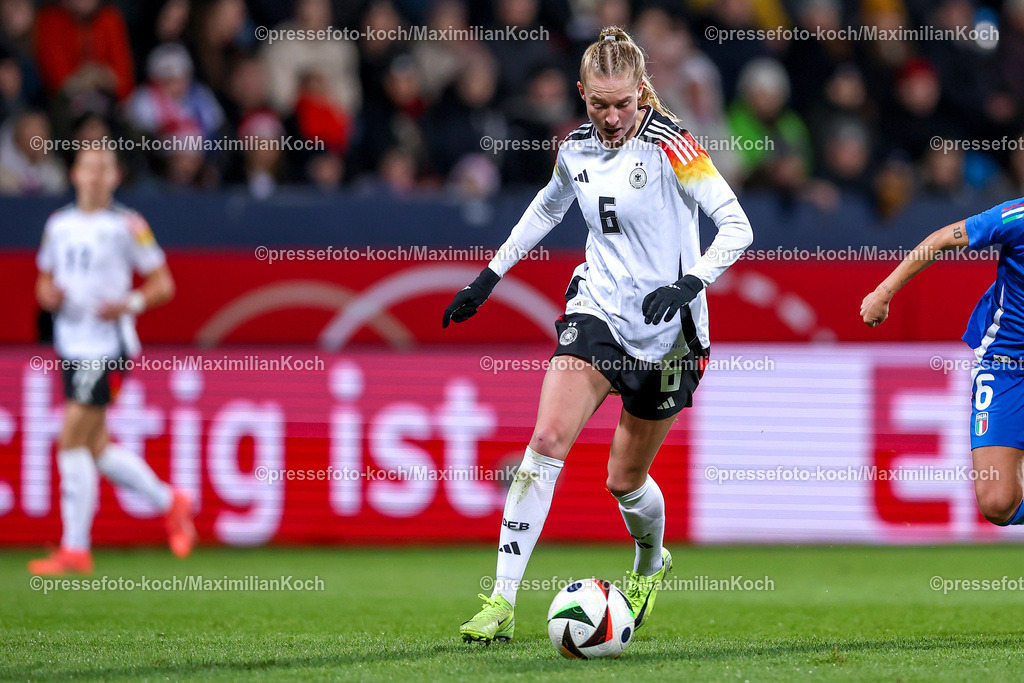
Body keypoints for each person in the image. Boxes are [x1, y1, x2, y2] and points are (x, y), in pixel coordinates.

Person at [443, 27, 753, 644]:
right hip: (599, 313)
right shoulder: (575, 150)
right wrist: (490, 274)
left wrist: (690, 284)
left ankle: (649, 563)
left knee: (624, 482)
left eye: (623, 104)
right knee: (546, 440)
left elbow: (736, 225)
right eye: (598, 104)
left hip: (671, 339)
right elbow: (547, 208)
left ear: (642, 93)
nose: (611, 118)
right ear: (582, 94)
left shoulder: (675, 146)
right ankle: (501, 601)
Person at [29, 147, 195, 576]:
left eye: (104, 169)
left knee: (70, 441)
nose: (96, 176)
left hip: (108, 348)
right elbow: (45, 277)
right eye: (89, 168)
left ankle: (76, 550)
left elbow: (164, 284)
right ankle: (170, 502)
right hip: (71, 345)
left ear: (116, 177)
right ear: (75, 174)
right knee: (96, 447)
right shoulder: (58, 225)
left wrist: (127, 303)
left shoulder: (128, 225)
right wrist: (46, 294)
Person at [861, 198, 1024, 528]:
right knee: (997, 503)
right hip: (1006, 366)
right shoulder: (1016, 216)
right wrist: (883, 292)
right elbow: (942, 239)